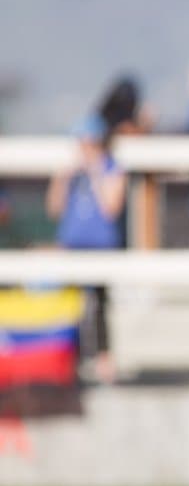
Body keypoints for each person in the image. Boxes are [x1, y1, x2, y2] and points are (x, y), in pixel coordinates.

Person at [45, 115, 128, 383]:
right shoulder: (72, 173)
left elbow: (111, 207)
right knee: (71, 305)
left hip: (100, 246)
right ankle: (72, 358)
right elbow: (54, 210)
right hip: (72, 245)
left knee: (99, 304)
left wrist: (95, 172)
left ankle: (103, 359)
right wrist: (61, 179)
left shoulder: (111, 168)